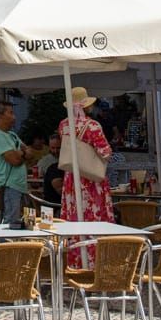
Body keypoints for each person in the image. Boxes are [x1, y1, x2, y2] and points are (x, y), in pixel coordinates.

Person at [59, 87, 115, 266]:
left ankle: (76, 261)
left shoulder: (64, 125)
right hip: (90, 179)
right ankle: (95, 261)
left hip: (72, 178)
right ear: (87, 106)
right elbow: (105, 152)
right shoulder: (92, 126)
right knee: (93, 218)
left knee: (75, 218)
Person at [0, 102, 29, 225]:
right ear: (0, 116)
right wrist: (22, 153)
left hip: (19, 185)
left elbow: (30, 154)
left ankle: (16, 244)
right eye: (10, 113)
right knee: (11, 222)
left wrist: (20, 153)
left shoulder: (12, 135)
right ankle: (5, 244)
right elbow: (15, 161)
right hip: (10, 185)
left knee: (21, 222)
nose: (14, 117)